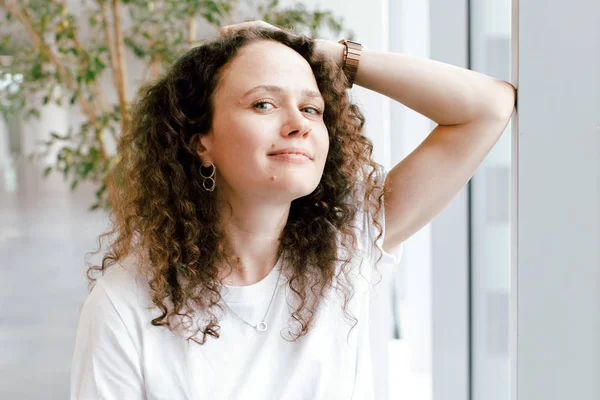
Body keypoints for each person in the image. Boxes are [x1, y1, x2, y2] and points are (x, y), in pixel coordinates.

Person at [70, 21, 516, 399]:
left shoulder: (346, 244)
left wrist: (323, 53)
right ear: (198, 140)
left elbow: (488, 107)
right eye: (263, 103)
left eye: (311, 107)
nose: (299, 123)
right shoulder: (125, 304)